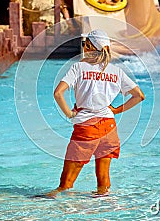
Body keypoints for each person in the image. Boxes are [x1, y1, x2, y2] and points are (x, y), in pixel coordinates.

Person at [46, 29, 145, 198]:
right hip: (109, 127)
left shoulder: (79, 67)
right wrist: (116, 110)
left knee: (64, 186)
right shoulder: (116, 71)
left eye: (85, 44)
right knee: (103, 184)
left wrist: (70, 114)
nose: (83, 47)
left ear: (91, 46)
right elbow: (139, 96)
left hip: (86, 128)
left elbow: (58, 93)